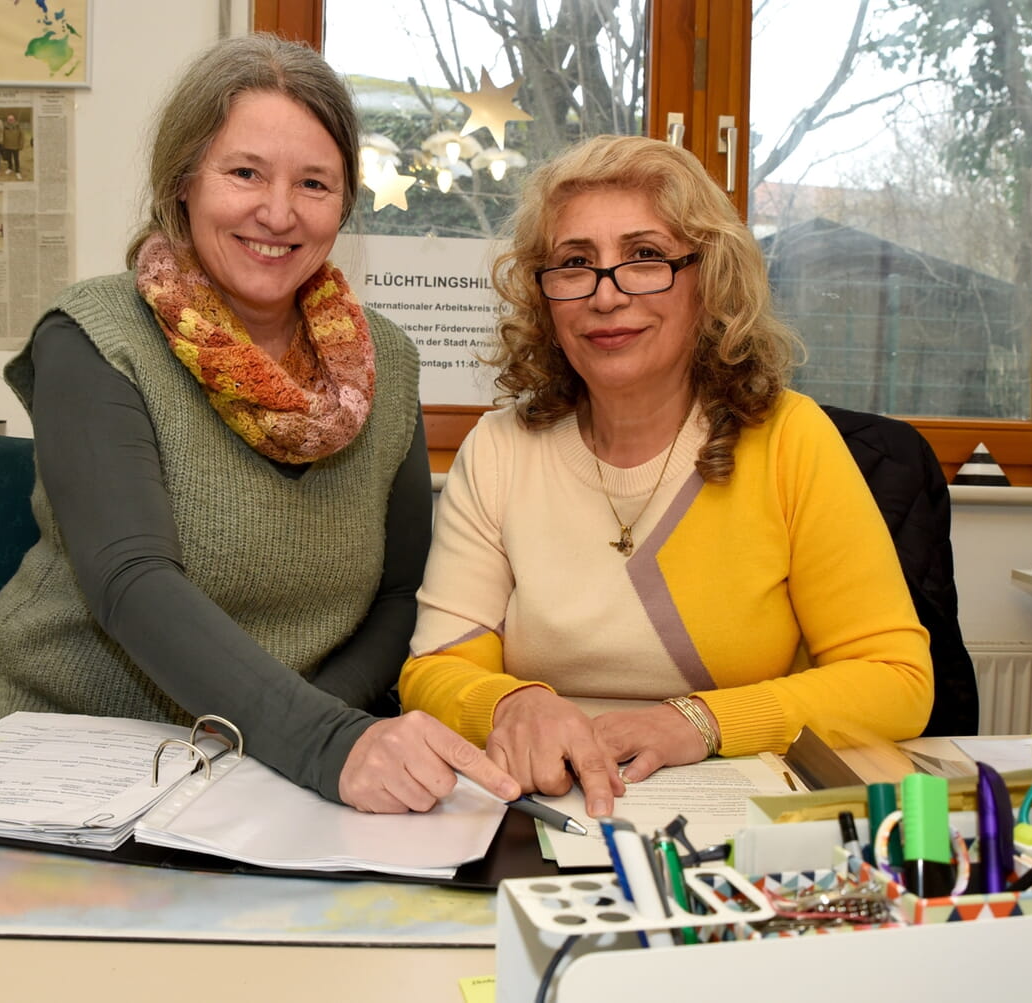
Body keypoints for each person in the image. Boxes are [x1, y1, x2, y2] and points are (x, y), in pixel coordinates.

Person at [0, 34, 520, 815]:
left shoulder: (389, 362)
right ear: (183, 182)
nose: (278, 213)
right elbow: (130, 583)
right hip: (66, 737)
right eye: (244, 172)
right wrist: (320, 740)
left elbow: (400, 593)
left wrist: (306, 727)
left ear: (344, 202)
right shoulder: (93, 334)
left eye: (314, 183)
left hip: (272, 756)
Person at [398, 135, 933, 818]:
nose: (607, 294)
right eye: (574, 263)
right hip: (542, 809)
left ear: (708, 279)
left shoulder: (790, 439)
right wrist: (512, 702)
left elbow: (898, 681)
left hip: (743, 818)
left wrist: (701, 721)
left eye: (645, 257)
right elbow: (434, 670)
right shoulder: (499, 449)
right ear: (544, 296)